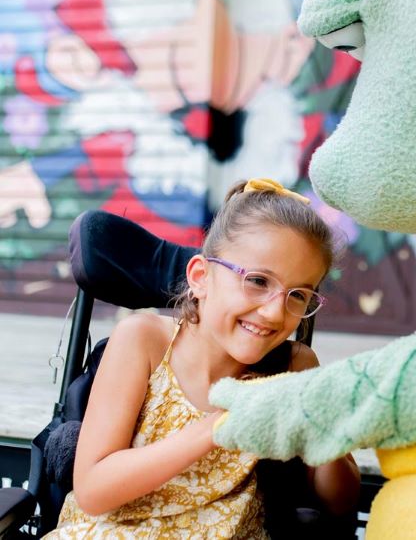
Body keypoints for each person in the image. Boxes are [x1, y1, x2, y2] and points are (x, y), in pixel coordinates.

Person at [44, 178, 360, 539]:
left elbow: (340, 503)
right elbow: (93, 490)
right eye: (257, 281)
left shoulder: (294, 366)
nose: (275, 313)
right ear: (200, 277)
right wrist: (219, 425)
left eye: (299, 294)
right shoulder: (144, 340)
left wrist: (328, 433)